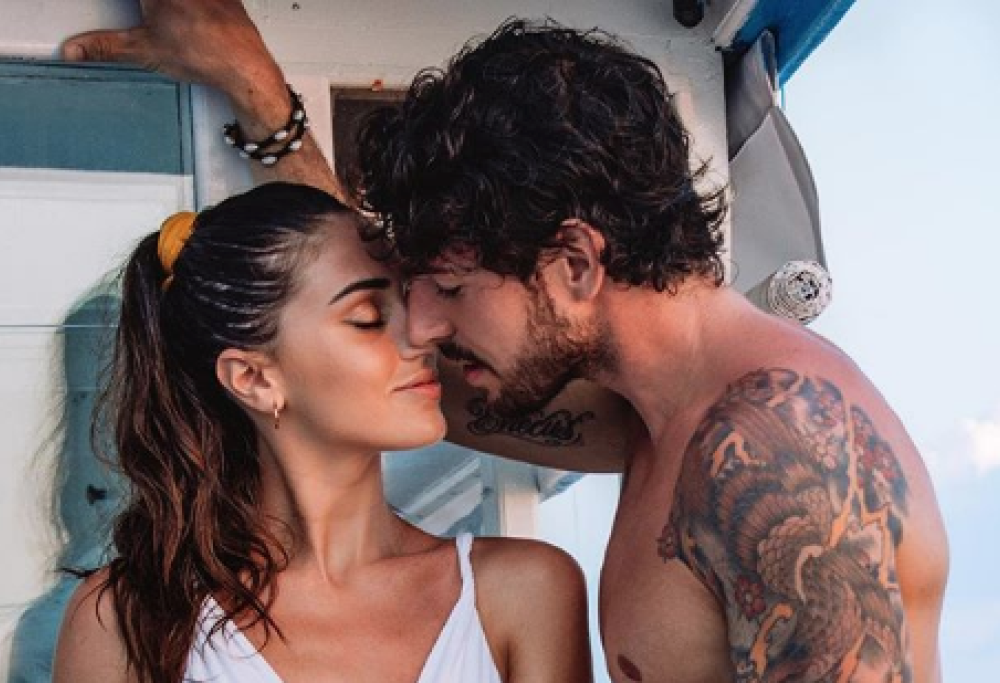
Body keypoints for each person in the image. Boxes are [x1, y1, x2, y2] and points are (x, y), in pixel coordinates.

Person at [64, 3, 950, 681]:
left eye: (450, 290)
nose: (425, 328)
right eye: (401, 302)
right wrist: (264, 103)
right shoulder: (652, 423)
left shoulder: (783, 454)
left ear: (574, 263)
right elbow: (345, 360)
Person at [52, 182, 591, 683]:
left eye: (409, 299)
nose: (423, 334)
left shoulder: (525, 591)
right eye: (368, 317)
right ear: (254, 379)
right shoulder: (126, 620)